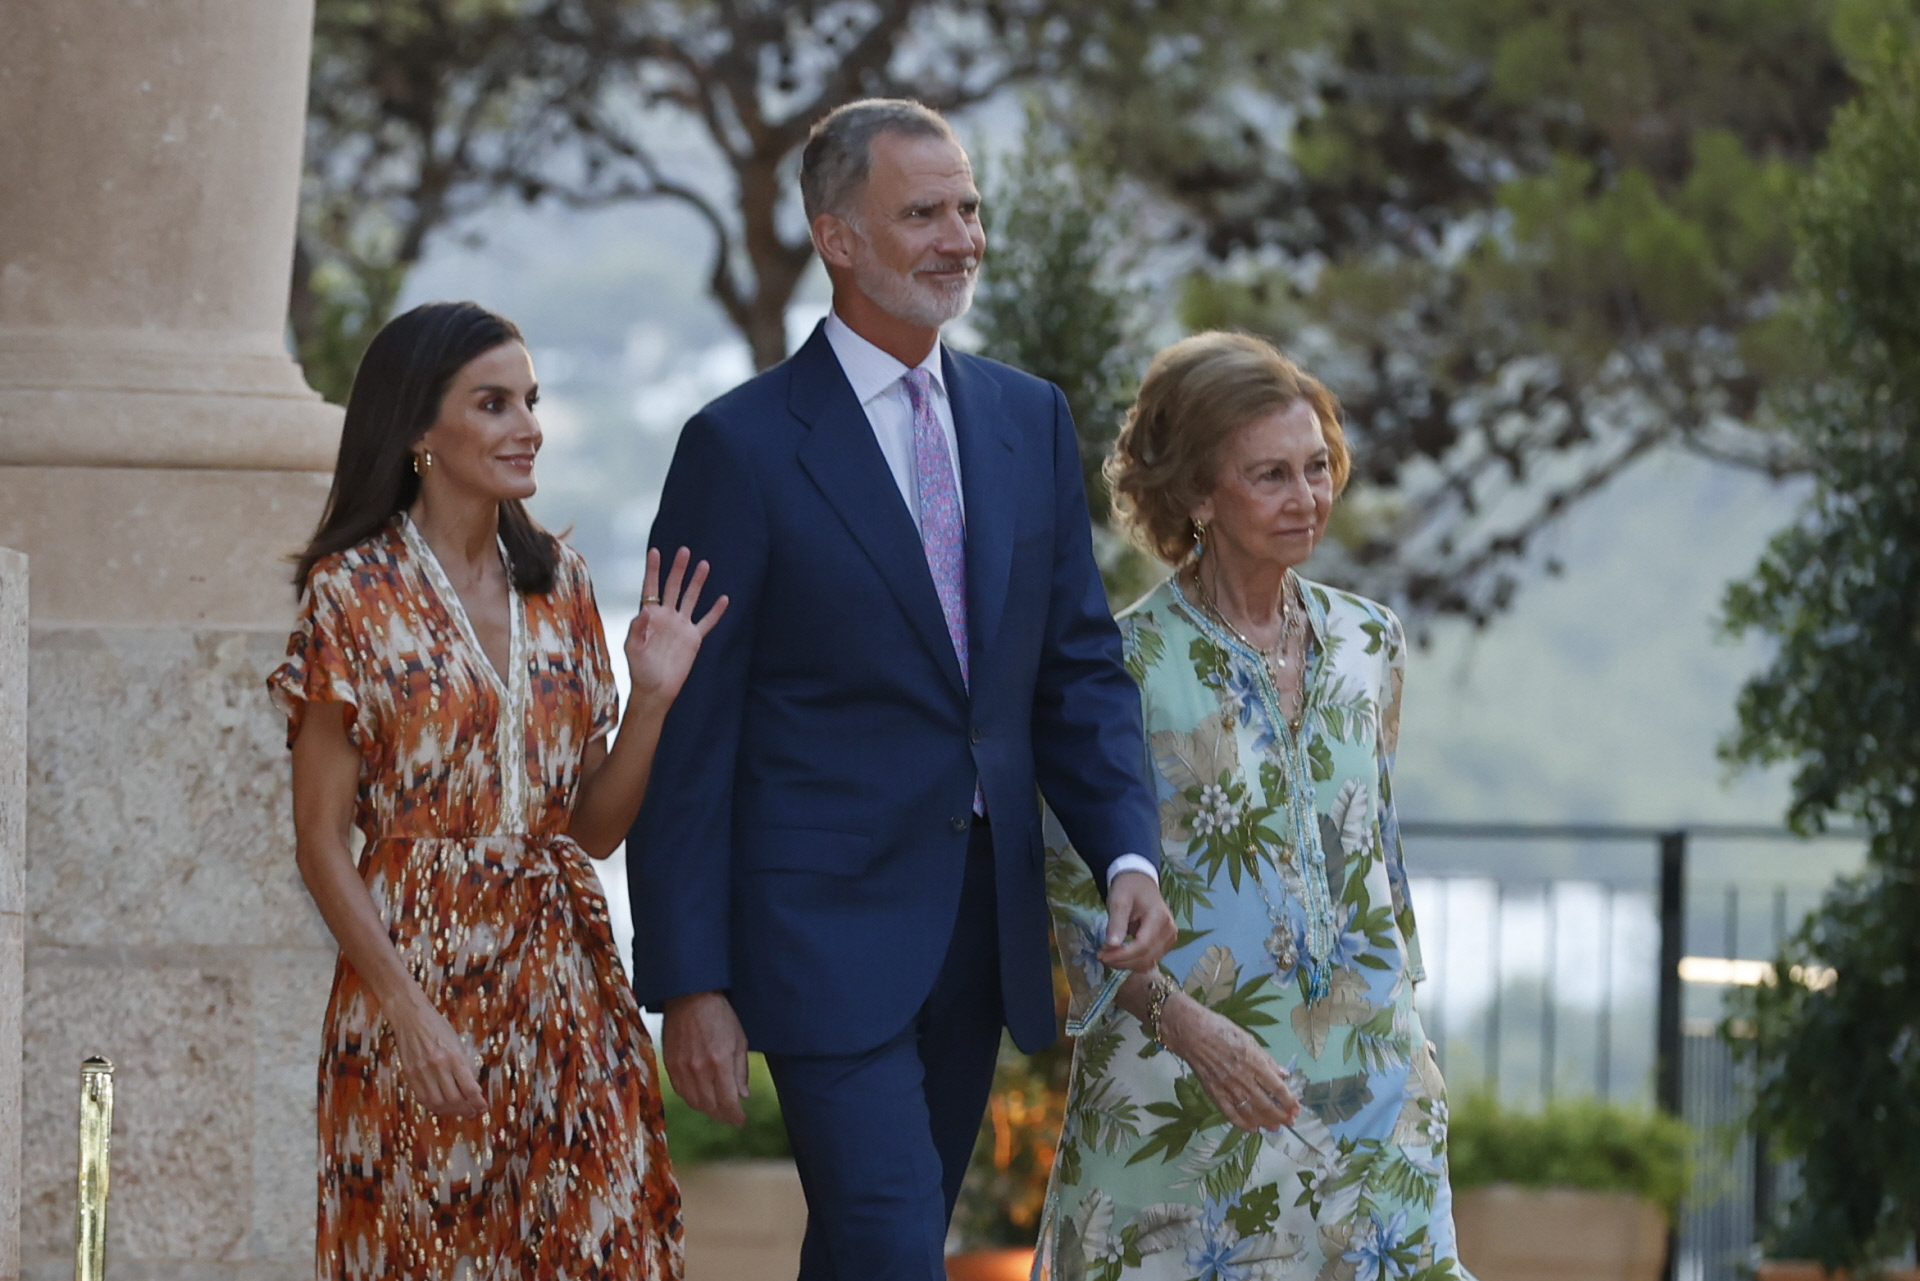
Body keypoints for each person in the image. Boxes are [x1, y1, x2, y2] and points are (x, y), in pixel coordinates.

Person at [626, 98, 1178, 1279]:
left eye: (968, 208)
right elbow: (694, 734)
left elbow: (1075, 670)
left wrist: (1129, 851)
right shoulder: (741, 446)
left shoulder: (1028, 420)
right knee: (887, 1242)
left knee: (881, 1243)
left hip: (981, 933)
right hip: (816, 937)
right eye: (921, 212)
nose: (959, 236)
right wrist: (690, 981)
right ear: (839, 237)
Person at [269, 301, 721, 1280]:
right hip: (414, 986)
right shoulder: (353, 595)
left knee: (601, 1250)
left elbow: (593, 830)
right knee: (429, 1253)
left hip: (561, 980)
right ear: (419, 432)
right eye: (493, 403)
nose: (529, 427)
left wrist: (650, 700)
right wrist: (409, 1013)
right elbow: (318, 840)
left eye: (531, 400)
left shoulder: (559, 583)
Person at [1034, 331, 1473, 1280]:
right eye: (1270, 474)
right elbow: (1078, 906)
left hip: (1369, 1104)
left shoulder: (1370, 642)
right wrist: (1191, 1030)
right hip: (1184, 1105)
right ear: (1197, 493)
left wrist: (1412, 1058)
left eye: (1318, 467)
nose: (1306, 497)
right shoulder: (1121, 667)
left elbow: (1370, 861)